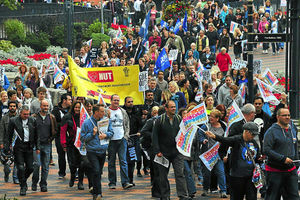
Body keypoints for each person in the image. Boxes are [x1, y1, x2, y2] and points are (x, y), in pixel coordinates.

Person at [205, 122, 261, 200]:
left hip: (251, 177)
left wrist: (260, 159)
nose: (253, 136)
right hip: (237, 176)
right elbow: (225, 140)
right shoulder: (237, 139)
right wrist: (214, 136)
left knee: (252, 197)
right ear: (246, 131)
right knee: (236, 197)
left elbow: (257, 156)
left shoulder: (254, 143)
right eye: (252, 134)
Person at [152, 100, 189, 200]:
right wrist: (157, 151)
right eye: (171, 107)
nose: (174, 109)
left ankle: (183, 195)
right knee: (163, 176)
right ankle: (165, 196)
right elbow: (154, 136)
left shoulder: (179, 118)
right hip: (163, 153)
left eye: (174, 107)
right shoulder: (160, 120)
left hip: (177, 152)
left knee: (180, 174)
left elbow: (183, 133)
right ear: (166, 108)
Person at [263, 108, 299, 200]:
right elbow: (266, 150)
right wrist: (282, 159)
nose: (287, 117)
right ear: (278, 117)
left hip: (291, 171)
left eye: (288, 115)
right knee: (273, 197)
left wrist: (296, 163)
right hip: (275, 171)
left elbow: (295, 145)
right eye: (284, 115)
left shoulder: (293, 129)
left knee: (294, 197)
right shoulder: (271, 131)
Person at [81, 104, 114, 200]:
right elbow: (82, 138)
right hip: (92, 151)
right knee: (96, 170)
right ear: (96, 112)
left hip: (102, 150)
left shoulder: (106, 121)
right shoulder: (87, 123)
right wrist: (92, 134)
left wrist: (105, 135)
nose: (104, 113)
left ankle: (95, 191)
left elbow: (111, 133)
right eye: (102, 111)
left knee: (98, 172)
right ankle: (98, 193)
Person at [6, 105, 39, 196]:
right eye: (24, 114)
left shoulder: (32, 120)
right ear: (20, 113)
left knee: (31, 167)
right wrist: (7, 146)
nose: (26, 116)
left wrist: (38, 147)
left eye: (28, 114)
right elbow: (9, 135)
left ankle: (23, 179)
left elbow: (36, 135)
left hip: (29, 146)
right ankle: (23, 186)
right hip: (19, 147)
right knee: (20, 167)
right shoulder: (14, 121)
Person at [199, 109, 227, 198]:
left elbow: (227, 138)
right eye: (210, 116)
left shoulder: (224, 126)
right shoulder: (205, 126)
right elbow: (200, 134)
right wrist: (203, 140)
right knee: (206, 174)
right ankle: (205, 189)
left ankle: (223, 191)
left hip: (218, 154)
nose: (210, 118)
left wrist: (225, 152)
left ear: (218, 118)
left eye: (213, 117)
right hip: (208, 154)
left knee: (221, 172)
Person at [107, 94, 133, 189]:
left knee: (123, 161)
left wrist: (126, 136)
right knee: (111, 162)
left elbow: (127, 124)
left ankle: (125, 182)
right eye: (115, 100)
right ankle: (112, 182)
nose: (116, 102)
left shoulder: (123, 111)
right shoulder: (107, 111)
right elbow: (102, 124)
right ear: (111, 101)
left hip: (122, 139)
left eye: (118, 100)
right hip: (111, 140)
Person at [31, 100, 57, 192]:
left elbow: (55, 131)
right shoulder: (34, 117)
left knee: (46, 166)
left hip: (47, 144)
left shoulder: (51, 117)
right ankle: (34, 182)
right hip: (36, 145)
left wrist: (50, 140)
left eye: (47, 106)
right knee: (37, 165)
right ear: (40, 106)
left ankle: (43, 184)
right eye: (44, 106)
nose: (46, 108)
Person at [60, 101, 85, 190]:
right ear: (73, 108)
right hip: (71, 143)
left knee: (82, 163)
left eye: (79, 107)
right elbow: (63, 131)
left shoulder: (84, 117)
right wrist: (64, 143)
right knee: (72, 163)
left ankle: (81, 181)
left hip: (82, 144)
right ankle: (73, 176)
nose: (77, 109)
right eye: (76, 107)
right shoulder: (67, 117)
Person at [52, 94, 72, 179]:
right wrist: (63, 124)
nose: (71, 101)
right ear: (64, 100)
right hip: (59, 135)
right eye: (69, 100)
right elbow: (54, 122)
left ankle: (73, 171)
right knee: (61, 155)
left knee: (71, 155)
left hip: (70, 135)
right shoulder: (56, 110)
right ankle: (62, 172)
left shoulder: (71, 110)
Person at [0, 101, 18, 184]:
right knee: (6, 164)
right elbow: (1, 131)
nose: (12, 108)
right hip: (7, 142)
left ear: (16, 107)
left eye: (14, 106)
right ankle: (7, 174)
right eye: (10, 106)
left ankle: (15, 177)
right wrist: (1, 142)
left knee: (18, 161)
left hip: (17, 143)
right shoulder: (4, 118)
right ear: (8, 107)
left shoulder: (19, 117)